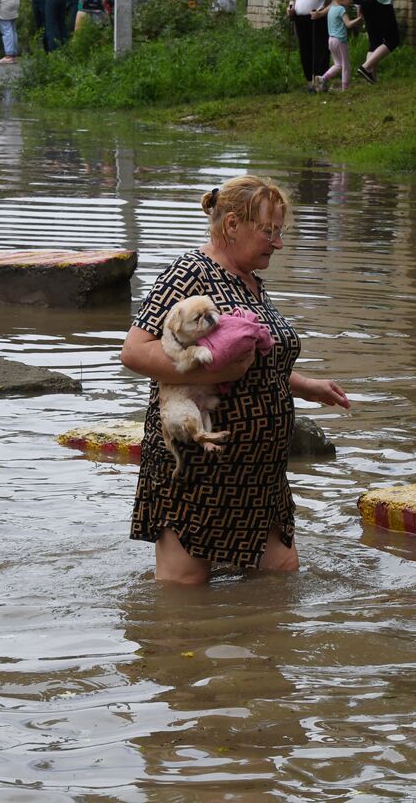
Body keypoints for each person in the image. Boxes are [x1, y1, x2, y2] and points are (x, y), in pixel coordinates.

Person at [119, 175, 351, 585]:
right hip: (198, 472)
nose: (277, 243)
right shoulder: (189, 272)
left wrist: (303, 384)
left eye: (280, 232)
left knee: (280, 579)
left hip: (259, 477)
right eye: (269, 231)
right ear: (231, 225)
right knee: (183, 597)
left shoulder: (251, 283)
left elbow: (257, 360)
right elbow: (135, 351)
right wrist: (212, 370)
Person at [287, 0, 331, 91]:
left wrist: (321, 13)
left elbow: (333, 2)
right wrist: (291, 6)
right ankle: (309, 81)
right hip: (301, 19)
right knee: (305, 50)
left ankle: (320, 81)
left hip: (317, 19)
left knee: (320, 50)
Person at [315, 0, 363, 92]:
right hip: (340, 41)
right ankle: (345, 88)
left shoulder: (332, 7)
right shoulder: (341, 9)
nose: (351, 1)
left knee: (338, 64)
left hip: (331, 40)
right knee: (346, 65)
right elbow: (348, 24)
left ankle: (323, 78)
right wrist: (358, 19)